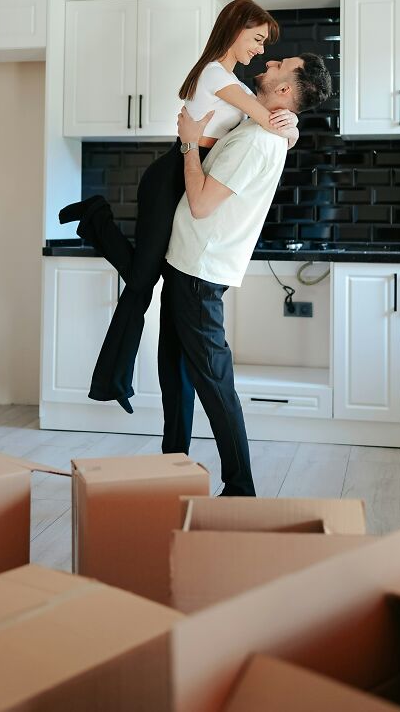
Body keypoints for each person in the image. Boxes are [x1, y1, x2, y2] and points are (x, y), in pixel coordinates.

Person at [58, 0, 299, 413]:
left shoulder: (238, 87)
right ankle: (96, 218)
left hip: (186, 177)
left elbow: (274, 129)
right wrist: (288, 123)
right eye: (257, 39)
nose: (261, 50)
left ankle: (114, 380)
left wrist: (291, 127)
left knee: (141, 285)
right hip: (169, 178)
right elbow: (266, 121)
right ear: (236, 29)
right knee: (140, 282)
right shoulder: (214, 74)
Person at [159, 53, 332, 495]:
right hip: (189, 264)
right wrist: (291, 129)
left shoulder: (257, 140)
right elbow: (282, 132)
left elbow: (201, 204)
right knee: (176, 373)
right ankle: (171, 470)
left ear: (285, 90)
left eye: (280, 65)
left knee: (213, 381)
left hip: (198, 269)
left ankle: (241, 487)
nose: (269, 62)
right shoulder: (262, 129)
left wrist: (188, 145)